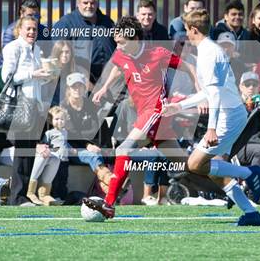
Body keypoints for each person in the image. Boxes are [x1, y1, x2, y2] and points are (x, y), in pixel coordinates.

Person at [83, 15, 198, 219]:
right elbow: (119, 67)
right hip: (144, 115)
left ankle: (109, 204)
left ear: (134, 38)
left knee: (123, 149)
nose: (117, 47)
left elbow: (188, 67)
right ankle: (227, 183)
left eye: (121, 43)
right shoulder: (121, 54)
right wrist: (105, 88)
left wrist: (199, 90)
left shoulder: (157, 54)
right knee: (188, 164)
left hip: (156, 112)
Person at [163, 9, 260, 226]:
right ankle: (250, 213)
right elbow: (208, 92)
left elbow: (215, 94)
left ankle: (248, 173)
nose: (185, 35)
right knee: (214, 169)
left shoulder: (208, 54)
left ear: (194, 29)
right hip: (229, 114)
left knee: (195, 164)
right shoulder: (208, 50)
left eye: (186, 31)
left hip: (228, 117)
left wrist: (211, 128)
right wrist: (178, 106)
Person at [1, 15, 52, 206]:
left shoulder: (37, 49)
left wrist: (46, 76)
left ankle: (26, 195)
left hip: (34, 106)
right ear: (19, 30)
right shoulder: (13, 47)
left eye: (35, 29)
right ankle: (17, 196)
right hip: (20, 105)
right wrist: (33, 73)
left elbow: (36, 80)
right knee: (22, 152)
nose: (32, 32)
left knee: (30, 150)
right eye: (28, 29)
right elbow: (7, 76)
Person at [57, 72, 112, 196]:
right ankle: (111, 180)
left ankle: (108, 186)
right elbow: (70, 134)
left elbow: (96, 129)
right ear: (68, 89)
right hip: (70, 148)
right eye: (74, 86)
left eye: (80, 86)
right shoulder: (63, 107)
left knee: (101, 155)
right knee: (92, 155)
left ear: (84, 88)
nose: (77, 89)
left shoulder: (90, 105)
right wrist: (87, 144)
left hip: (88, 148)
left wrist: (97, 146)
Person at [52, 0, 116, 85]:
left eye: (92, 2)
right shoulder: (66, 23)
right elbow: (56, 53)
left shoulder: (108, 22)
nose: (89, 6)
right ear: (78, 3)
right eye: (85, 3)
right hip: (79, 83)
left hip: (108, 83)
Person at [27, 106, 67, 206]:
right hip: (50, 153)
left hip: (59, 157)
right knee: (46, 157)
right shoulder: (49, 133)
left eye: (62, 119)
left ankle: (44, 194)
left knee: (55, 161)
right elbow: (45, 144)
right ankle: (31, 192)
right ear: (51, 120)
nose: (60, 121)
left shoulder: (65, 132)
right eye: (56, 119)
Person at [0, 0, 50, 67]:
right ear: (21, 14)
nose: (33, 18)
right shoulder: (11, 31)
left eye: (36, 16)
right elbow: (7, 59)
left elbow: (49, 54)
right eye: (29, 15)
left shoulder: (43, 30)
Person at [46, 40, 76, 106]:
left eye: (67, 52)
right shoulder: (48, 66)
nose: (64, 55)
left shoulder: (73, 68)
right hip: (48, 105)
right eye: (61, 52)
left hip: (65, 106)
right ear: (56, 52)